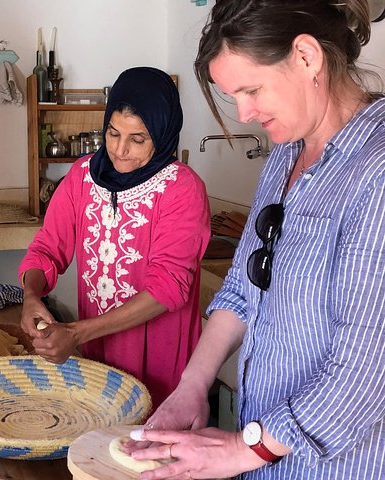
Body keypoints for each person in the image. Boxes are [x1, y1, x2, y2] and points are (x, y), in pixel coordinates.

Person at [127, 1, 385, 479]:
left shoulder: (376, 169)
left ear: (307, 57)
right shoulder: (285, 156)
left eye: (251, 90)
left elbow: (363, 375)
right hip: (265, 460)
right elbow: (244, 290)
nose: (244, 113)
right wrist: (191, 385)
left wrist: (242, 452)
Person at [19, 67, 211, 409]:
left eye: (138, 139)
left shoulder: (181, 189)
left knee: (149, 448)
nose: (120, 150)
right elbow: (47, 249)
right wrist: (31, 295)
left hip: (161, 361)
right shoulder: (81, 177)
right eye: (112, 133)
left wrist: (76, 333)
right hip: (98, 357)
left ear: (163, 134)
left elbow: (168, 287)